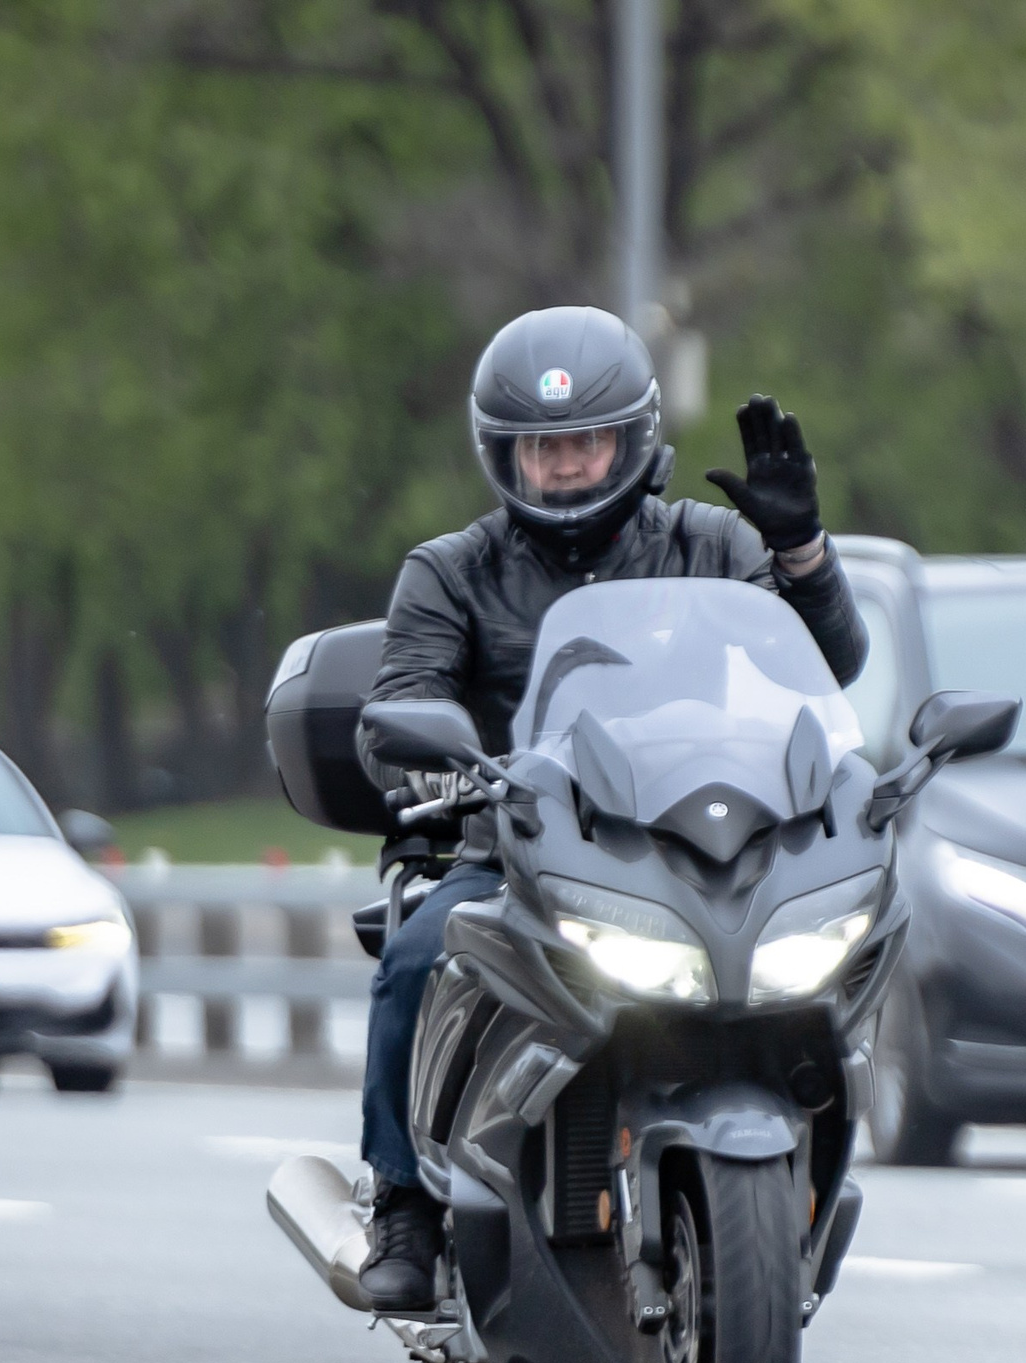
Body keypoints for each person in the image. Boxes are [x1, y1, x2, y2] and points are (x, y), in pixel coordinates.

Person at [353, 304, 869, 1311]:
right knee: (420, 948)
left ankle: (799, 1137)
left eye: (586, 442)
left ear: (631, 439)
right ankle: (404, 1203)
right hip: (512, 846)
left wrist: (801, 548)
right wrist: (426, 756)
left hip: (698, 844)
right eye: (541, 450)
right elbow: (399, 703)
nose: (568, 467)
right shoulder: (449, 571)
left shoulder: (709, 544)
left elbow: (828, 665)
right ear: (502, 455)